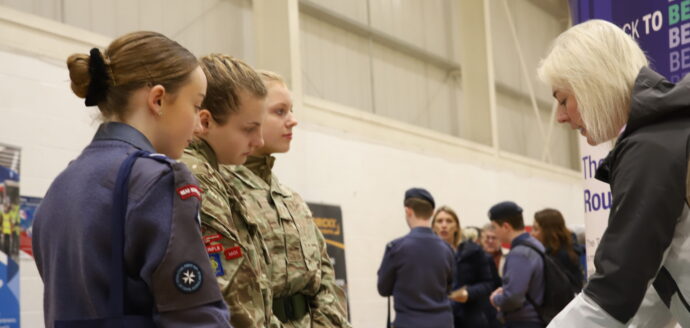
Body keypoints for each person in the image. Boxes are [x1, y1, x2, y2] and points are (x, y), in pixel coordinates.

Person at [32, 31, 231, 327]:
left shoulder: (63, 184)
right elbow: (194, 317)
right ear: (159, 100)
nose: (198, 125)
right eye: (194, 105)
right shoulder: (157, 180)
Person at [539, 19, 690, 327]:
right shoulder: (667, 134)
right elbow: (652, 289)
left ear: (591, 82)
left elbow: (613, 292)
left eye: (563, 99)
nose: (561, 117)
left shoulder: (650, 146)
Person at [221, 70, 351, 327]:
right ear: (250, 116)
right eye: (280, 111)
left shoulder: (291, 199)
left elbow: (325, 277)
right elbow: (233, 292)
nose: (292, 121)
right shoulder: (221, 191)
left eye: (291, 111)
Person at [178, 54, 273, 327]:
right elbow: (229, 293)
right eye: (248, 129)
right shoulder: (195, 177)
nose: (259, 141)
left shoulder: (214, 173)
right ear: (205, 123)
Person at [377, 188, 454, 328]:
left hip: (409, 323)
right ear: (432, 213)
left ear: (408, 211)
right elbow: (449, 286)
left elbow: (383, 289)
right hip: (443, 323)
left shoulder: (396, 248)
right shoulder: (447, 249)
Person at [432, 206, 498, 328]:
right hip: (436, 316)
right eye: (440, 221)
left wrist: (468, 293)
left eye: (449, 221)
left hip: (466, 317)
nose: (444, 225)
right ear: (433, 227)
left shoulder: (473, 252)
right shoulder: (426, 253)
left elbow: (488, 283)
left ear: (456, 227)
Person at [488, 201, 545, 328]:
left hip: (523, 322)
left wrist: (495, 299)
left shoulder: (519, 253)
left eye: (495, 227)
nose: (495, 233)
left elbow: (513, 299)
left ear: (506, 227)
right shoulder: (534, 244)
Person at [531, 209, 583, 291]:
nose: (532, 234)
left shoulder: (560, 256)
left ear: (548, 231)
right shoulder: (552, 252)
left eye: (536, 229)